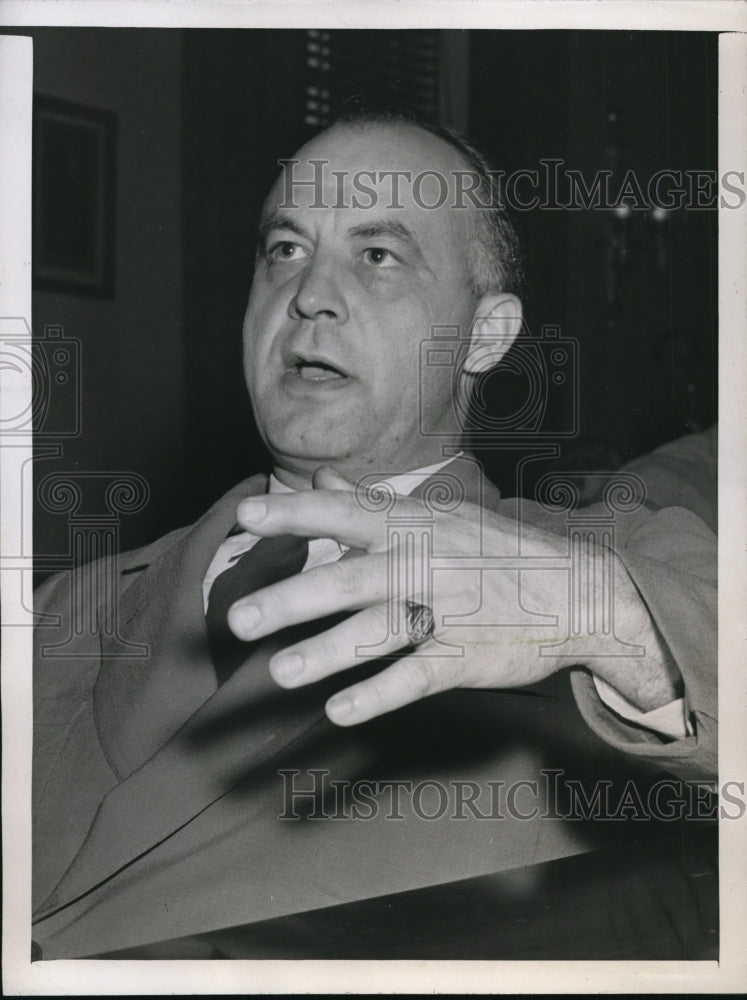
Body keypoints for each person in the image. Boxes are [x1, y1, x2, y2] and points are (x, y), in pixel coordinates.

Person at [31, 113, 717, 959]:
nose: (308, 293)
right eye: (284, 248)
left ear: (483, 336)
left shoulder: (604, 568)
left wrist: (612, 623)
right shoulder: (62, 607)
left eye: (377, 255)